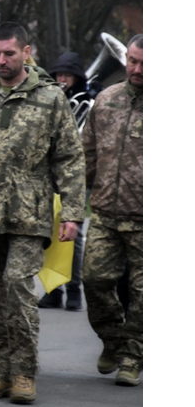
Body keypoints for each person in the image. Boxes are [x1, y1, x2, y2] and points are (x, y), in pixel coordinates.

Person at [0, 22, 85, 405]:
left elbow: (69, 157)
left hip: (29, 215)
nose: (1, 61)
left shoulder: (49, 98)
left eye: (9, 53)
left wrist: (72, 212)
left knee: (18, 289)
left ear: (27, 53)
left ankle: (23, 373)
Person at [81, 34, 142, 386]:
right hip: (105, 212)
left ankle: (134, 356)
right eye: (132, 61)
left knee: (144, 294)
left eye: (144, 64)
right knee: (94, 281)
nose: (136, 69)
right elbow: (86, 155)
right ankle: (113, 340)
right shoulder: (106, 100)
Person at [37, 51, 91, 311]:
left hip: (75, 176)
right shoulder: (49, 100)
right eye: (58, 74)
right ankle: (52, 289)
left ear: (77, 78)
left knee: (74, 236)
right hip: (49, 177)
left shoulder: (86, 103)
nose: (62, 79)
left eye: (67, 75)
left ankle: (73, 289)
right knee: (48, 233)